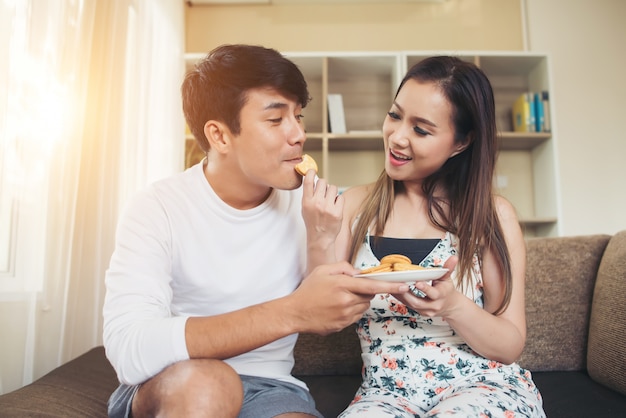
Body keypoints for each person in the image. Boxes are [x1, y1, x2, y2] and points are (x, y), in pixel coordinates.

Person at [102, 44, 410, 418]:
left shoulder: (314, 210)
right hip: (177, 380)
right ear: (219, 136)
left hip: (273, 388)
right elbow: (130, 349)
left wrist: (322, 240)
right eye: (276, 120)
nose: (298, 134)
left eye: (298, 116)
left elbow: (326, 315)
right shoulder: (158, 207)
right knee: (209, 387)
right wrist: (290, 312)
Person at [305, 56, 546, 417]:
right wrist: (319, 237)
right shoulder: (354, 205)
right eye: (395, 115)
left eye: (421, 129)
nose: (397, 137)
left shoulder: (491, 216)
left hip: (481, 386)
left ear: (461, 142)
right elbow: (322, 319)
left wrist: (453, 306)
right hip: (385, 395)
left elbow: (509, 345)